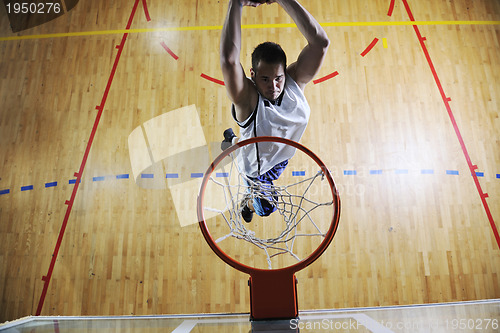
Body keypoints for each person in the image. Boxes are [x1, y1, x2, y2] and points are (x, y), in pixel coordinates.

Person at [220, 0, 330, 222]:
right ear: (252, 74)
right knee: (265, 208)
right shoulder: (247, 100)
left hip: (280, 158)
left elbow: (321, 43)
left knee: (246, 145)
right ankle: (246, 202)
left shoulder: (294, 83)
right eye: (265, 79)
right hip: (257, 170)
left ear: (285, 72)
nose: (273, 86)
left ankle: (231, 142)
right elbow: (229, 61)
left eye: (278, 78)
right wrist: (237, 3)